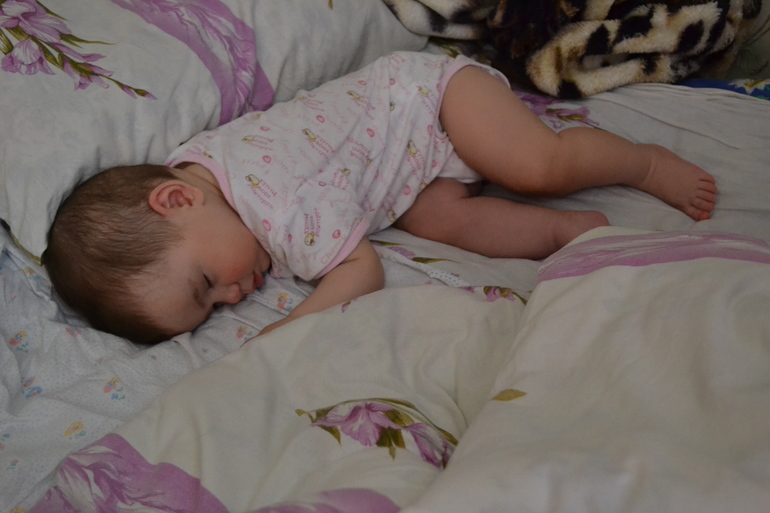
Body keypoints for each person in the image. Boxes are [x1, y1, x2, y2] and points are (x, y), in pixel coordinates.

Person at [43, 51, 717, 344]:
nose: (233, 295)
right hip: (410, 170)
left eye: (205, 283)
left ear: (173, 201)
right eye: (213, 308)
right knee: (439, 219)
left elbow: (361, 269)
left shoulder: (277, 206)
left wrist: (287, 329)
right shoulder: (201, 169)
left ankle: (644, 162)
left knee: (537, 165)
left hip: (431, 98)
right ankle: (564, 233)